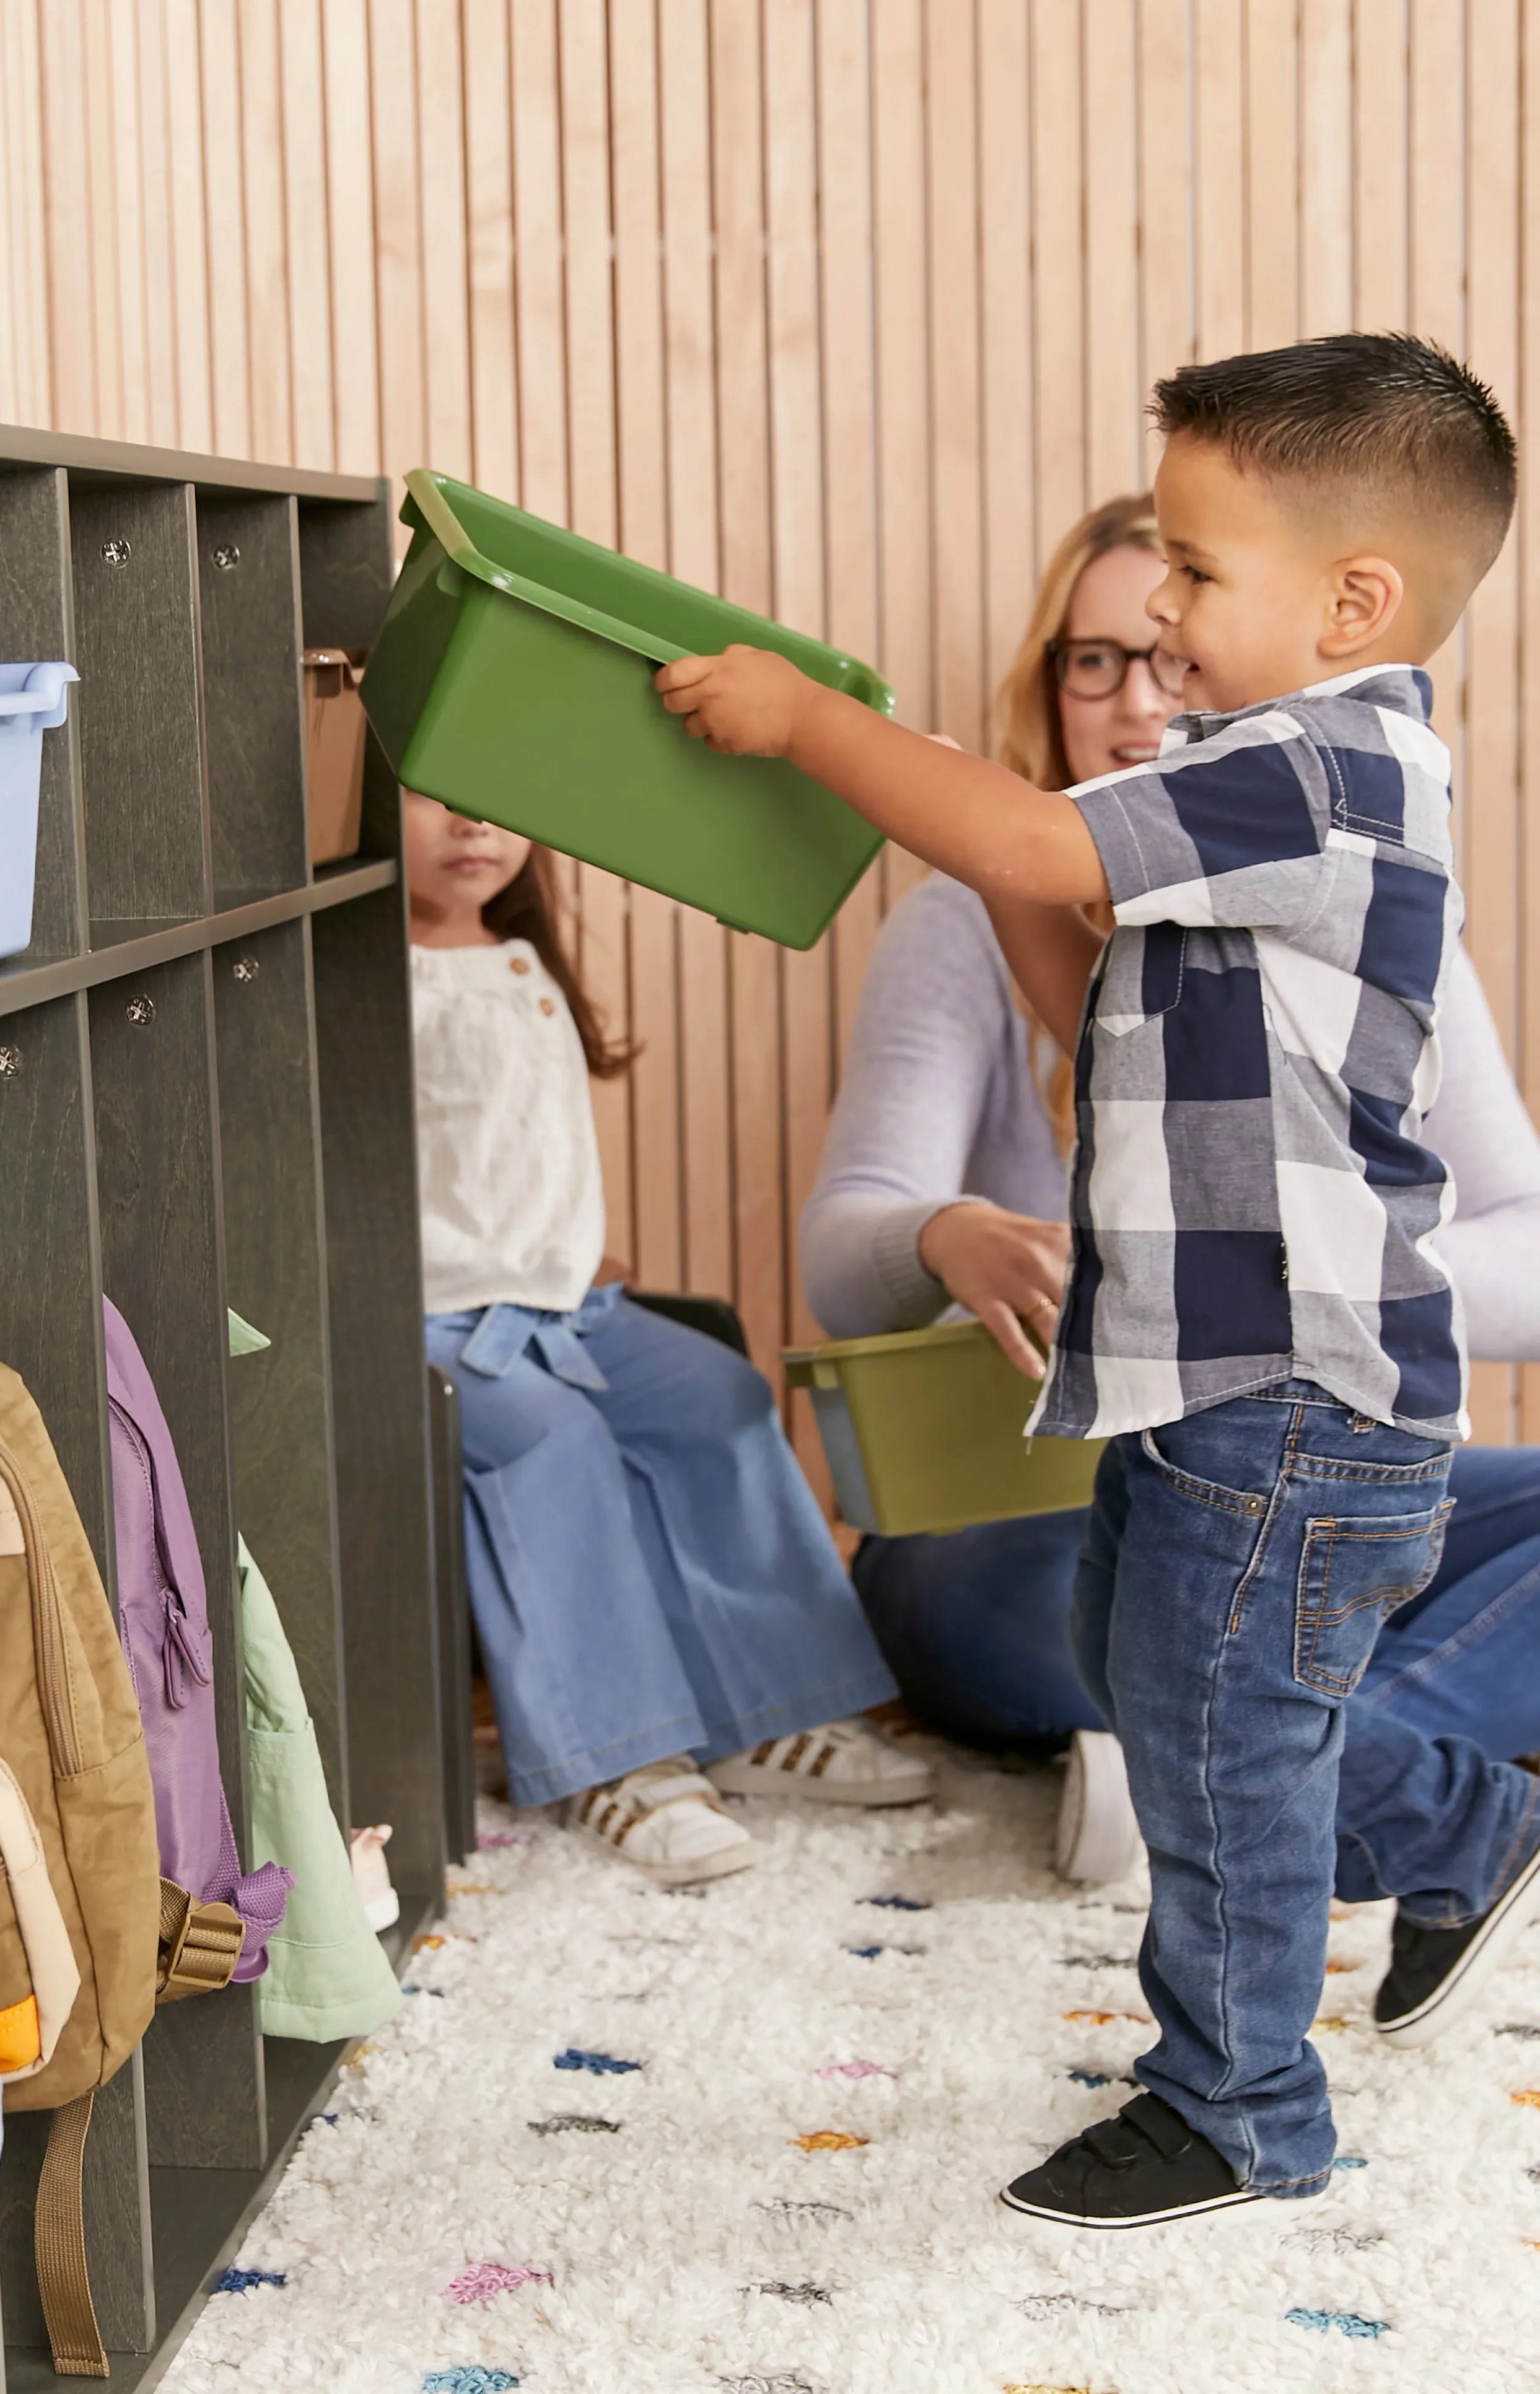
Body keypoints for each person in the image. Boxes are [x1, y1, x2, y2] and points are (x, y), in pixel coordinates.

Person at [655, 331, 1538, 2232]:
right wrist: (981, 876)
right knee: (1168, 1689)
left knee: (1217, 1733)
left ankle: (1243, 2110)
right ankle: (1462, 1816)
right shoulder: (1248, 782)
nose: (1165, 632)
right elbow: (1083, 984)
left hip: (1294, 1393)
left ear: (1355, 600)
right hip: (1201, 1382)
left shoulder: (1324, 769)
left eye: (1200, 584)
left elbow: (1038, 833)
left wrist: (822, 730)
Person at [804, 491, 1540, 1896]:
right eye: (1097, 658)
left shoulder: (1365, 892)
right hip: (1040, 1500)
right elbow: (840, 1262)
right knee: (1002, 1598)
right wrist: (940, 1234)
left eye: (1177, 639)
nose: (1142, 691)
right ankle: (1275, 1764)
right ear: (1051, 685)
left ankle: (1238, 1771)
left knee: (1261, 1585)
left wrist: (1298, 1260)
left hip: (1298, 1473)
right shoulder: (978, 906)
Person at [406, 788, 935, 1888]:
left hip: (562, 1303)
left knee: (716, 1396)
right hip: (437, 1322)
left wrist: (561, 1251)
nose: (473, 825)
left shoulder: (519, 959)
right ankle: (618, 1756)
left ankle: (770, 1712)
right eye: (430, 796)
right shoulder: (369, 978)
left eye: (496, 798)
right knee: (548, 1439)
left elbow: (509, 1152)